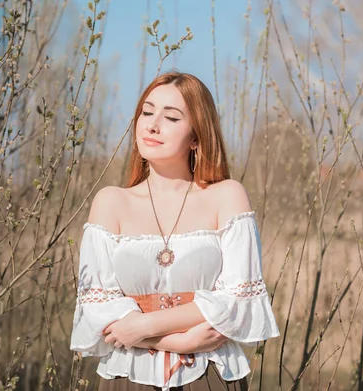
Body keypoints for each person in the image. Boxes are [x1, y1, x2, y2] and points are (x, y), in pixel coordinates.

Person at [70, 71, 280, 391]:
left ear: (196, 136)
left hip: (208, 374)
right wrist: (185, 339)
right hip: (128, 376)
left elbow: (239, 302)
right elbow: (98, 311)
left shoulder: (226, 196)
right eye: (147, 111)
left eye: (170, 117)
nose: (152, 124)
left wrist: (143, 327)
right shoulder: (111, 202)